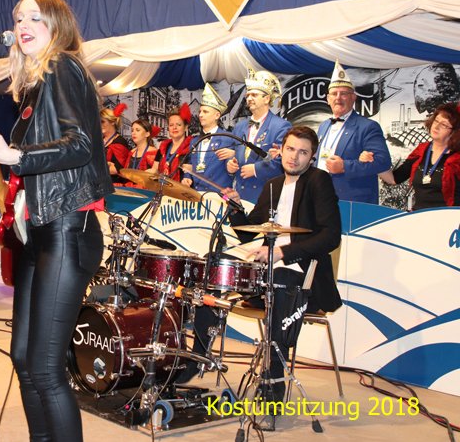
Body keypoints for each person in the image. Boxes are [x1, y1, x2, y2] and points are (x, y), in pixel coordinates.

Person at [0, 0, 112, 442]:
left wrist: (15, 155)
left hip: (67, 229)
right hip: (38, 232)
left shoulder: (63, 66)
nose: (22, 25)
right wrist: (1, 146)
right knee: (24, 360)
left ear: (57, 25)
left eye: (34, 18)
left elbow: (80, 145)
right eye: (18, 18)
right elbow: (40, 155)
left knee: (46, 369)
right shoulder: (34, 83)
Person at [191, 127, 342, 401]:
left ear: (312, 157)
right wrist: (236, 207)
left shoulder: (318, 181)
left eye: (303, 152)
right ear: (281, 150)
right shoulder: (273, 185)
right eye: (290, 149)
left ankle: (273, 381)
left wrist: (283, 253)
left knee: (280, 281)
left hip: (301, 275)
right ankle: (197, 357)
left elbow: (331, 236)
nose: (294, 157)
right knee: (213, 266)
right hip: (265, 272)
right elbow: (248, 233)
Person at [314, 60, 391, 204]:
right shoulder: (323, 126)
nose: (338, 98)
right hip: (321, 198)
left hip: (353, 203)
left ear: (353, 97)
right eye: (334, 94)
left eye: (343, 93)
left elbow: (383, 162)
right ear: (328, 99)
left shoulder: (368, 127)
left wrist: (345, 166)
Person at [360, 102, 460, 209]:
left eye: (444, 124)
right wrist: (373, 162)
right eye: (436, 120)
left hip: (449, 217)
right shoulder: (421, 151)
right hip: (418, 215)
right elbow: (394, 179)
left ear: (454, 131)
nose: (437, 126)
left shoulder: (457, 158)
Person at [227, 67, 291, 204]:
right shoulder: (239, 127)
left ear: (266, 99)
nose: (249, 98)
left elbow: (284, 161)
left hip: (265, 196)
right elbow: (234, 154)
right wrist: (230, 165)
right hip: (239, 196)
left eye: (254, 95)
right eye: (248, 95)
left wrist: (256, 169)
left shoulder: (281, 126)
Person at [181, 83, 238, 192]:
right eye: (200, 111)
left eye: (205, 112)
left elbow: (230, 166)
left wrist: (231, 168)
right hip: (196, 196)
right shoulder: (194, 141)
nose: (200, 115)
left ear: (217, 115)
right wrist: (187, 177)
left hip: (218, 197)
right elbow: (191, 166)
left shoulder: (227, 139)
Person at [150, 104, 193, 182]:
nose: (174, 128)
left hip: (182, 188)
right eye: (171, 125)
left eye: (178, 125)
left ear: (186, 127)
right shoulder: (163, 146)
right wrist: (139, 175)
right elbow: (154, 169)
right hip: (162, 187)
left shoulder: (191, 147)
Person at [101, 103, 131, 184]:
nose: (100, 125)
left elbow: (118, 169)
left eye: (102, 122)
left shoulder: (120, 142)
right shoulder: (99, 140)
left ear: (112, 122)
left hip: (113, 185)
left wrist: (97, 167)